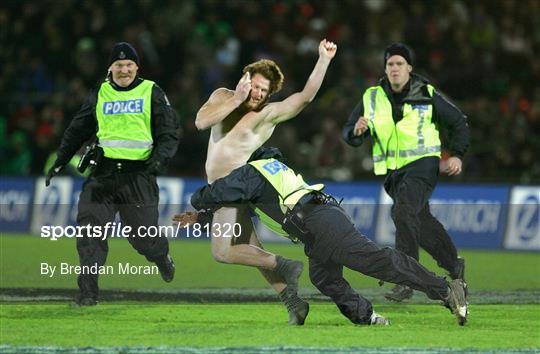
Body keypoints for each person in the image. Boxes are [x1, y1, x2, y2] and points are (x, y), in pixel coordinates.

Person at [173, 147, 468, 326]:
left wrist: (198, 200)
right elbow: (237, 209)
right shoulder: (272, 176)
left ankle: (445, 289)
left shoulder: (254, 170)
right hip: (320, 222)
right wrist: (202, 218)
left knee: (376, 262)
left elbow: (219, 192)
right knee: (324, 278)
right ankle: (367, 317)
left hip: (319, 223)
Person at [194, 39, 337, 324]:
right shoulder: (223, 96)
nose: (258, 94)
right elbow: (201, 122)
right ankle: (293, 302)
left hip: (235, 188)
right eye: (255, 86)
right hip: (220, 188)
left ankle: (285, 264)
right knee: (250, 247)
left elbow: (305, 97)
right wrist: (236, 98)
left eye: (264, 90)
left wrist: (323, 59)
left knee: (222, 252)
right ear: (244, 79)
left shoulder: (267, 115)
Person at [45, 42, 180, 305]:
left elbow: (169, 131)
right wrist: (61, 160)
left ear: (137, 67)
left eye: (129, 65)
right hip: (103, 175)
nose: (124, 69)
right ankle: (87, 293)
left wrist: (158, 161)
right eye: (119, 65)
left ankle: (161, 257)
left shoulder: (151, 91)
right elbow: (78, 129)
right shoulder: (100, 93)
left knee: (144, 240)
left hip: (139, 175)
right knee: (90, 232)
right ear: (111, 67)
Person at [342, 43, 470, 302]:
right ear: (385, 68)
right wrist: (356, 131)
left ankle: (406, 278)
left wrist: (456, 153)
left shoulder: (427, 93)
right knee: (418, 220)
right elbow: (349, 132)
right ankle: (453, 265)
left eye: (400, 64)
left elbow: (458, 121)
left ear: (409, 68)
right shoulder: (372, 97)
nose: (395, 68)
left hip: (423, 163)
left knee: (402, 212)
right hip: (393, 173)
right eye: (390, 64)